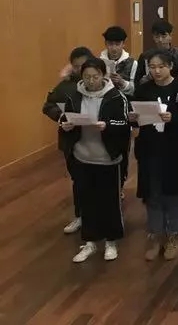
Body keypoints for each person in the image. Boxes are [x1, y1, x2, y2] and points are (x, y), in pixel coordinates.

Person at [59, 58, 131, 263]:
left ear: (103, 75)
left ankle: (111, 242)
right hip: (83, 156)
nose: (91, 81)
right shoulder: (74, 96)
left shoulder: (115, 96)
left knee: (109, 202)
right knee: (87, 202)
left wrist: (107, 125)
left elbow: (125, 124)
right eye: (87, 77)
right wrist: (66, 125)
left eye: (95, 76)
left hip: (107, 158)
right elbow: (65, 118)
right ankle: (90, 242)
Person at [130, 51, 178, 261]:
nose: (156, 71)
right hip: (149, 147)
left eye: (161, 67)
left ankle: (173, 235)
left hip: (174, 148)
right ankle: (155, 235)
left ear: (171, 66)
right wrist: (133, 117)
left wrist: (173, 118)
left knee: (173, 194)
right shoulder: (144, 89)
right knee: (152, 193)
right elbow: (135, 117)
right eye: (152, 67)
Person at [43, 46, 94, 234]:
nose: (80, 70)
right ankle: (80, 216)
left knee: (99, 181)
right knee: (78, 180)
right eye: (76, 66)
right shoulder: (65, 86)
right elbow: (48, 106)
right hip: (72, 140)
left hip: (97, 139)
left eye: (83, 65)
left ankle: (101, 217)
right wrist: (61, 117)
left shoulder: (102, 83)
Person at [133, 19, 178, 87]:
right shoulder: (145, 56)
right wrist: (147, 78)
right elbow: (137, 81)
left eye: (164, 36)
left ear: (170, 36)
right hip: (151, 89)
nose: (160, 40)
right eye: (157, 37)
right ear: (153, 37)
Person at [99, 26, 137, 97]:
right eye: (110, 44)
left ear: (123, 43)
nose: (114, 48)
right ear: (105, 43)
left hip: (125, 100)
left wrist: (122, 82)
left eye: (117, 44)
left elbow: (135, 90)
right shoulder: (99, 62)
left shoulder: (132, 63)